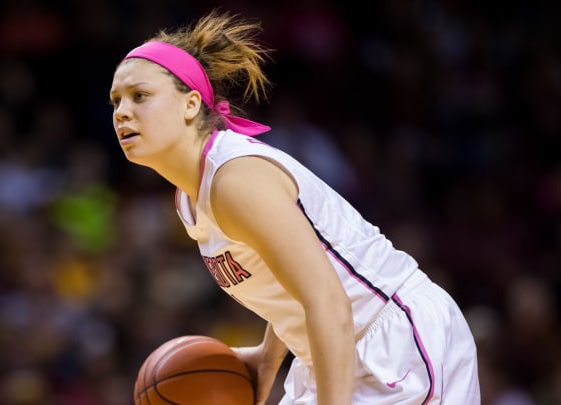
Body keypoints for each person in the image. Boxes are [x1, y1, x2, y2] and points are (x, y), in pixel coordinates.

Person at [109, 10, 480, 405]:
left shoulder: (236, 181)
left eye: (140, 96)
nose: (122, 112)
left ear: (190, 104)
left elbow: (329, 300)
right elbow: (289, 280)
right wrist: (267, 361)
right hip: (327, 352)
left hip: (394, 342)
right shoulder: (190, 198)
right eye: (115, 100)